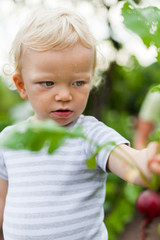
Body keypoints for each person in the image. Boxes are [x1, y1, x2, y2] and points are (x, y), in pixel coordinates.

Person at [0, 7, 160, 240]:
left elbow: (130, 165)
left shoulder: (90, 135)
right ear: (22, 85)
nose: (64, 95)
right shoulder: (9, 140)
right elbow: (2, 200)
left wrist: (147, 164)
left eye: (77, 83)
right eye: (48, 83)